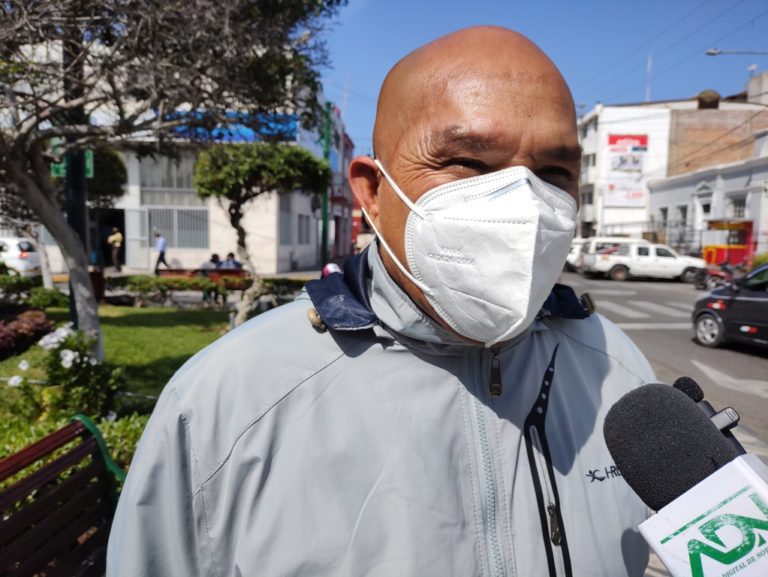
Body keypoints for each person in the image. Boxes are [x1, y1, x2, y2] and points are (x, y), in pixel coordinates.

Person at [107, 27, 656, 576]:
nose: (525, 204)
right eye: (468, 162)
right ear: (372, 191)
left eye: (554, 172)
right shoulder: (227, 403)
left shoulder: (619, 370)